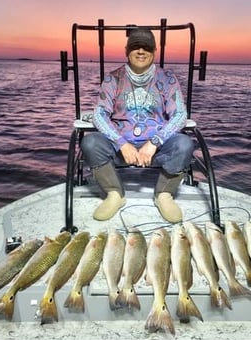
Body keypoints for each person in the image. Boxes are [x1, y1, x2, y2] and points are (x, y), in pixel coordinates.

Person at [81, 27, 195, 223]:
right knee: (90, 143)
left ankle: (163, 195)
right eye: (135, 46)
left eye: (146, 47)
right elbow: (99, 115)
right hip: (120, 149)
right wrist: (121, 143)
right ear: (127, 51)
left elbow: (179, 115)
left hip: (155, 150)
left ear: (154, 51)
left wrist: (154, 142)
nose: (141, 51)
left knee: (184, 144)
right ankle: (115, 194)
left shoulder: (168, 79)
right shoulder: (112, 79)